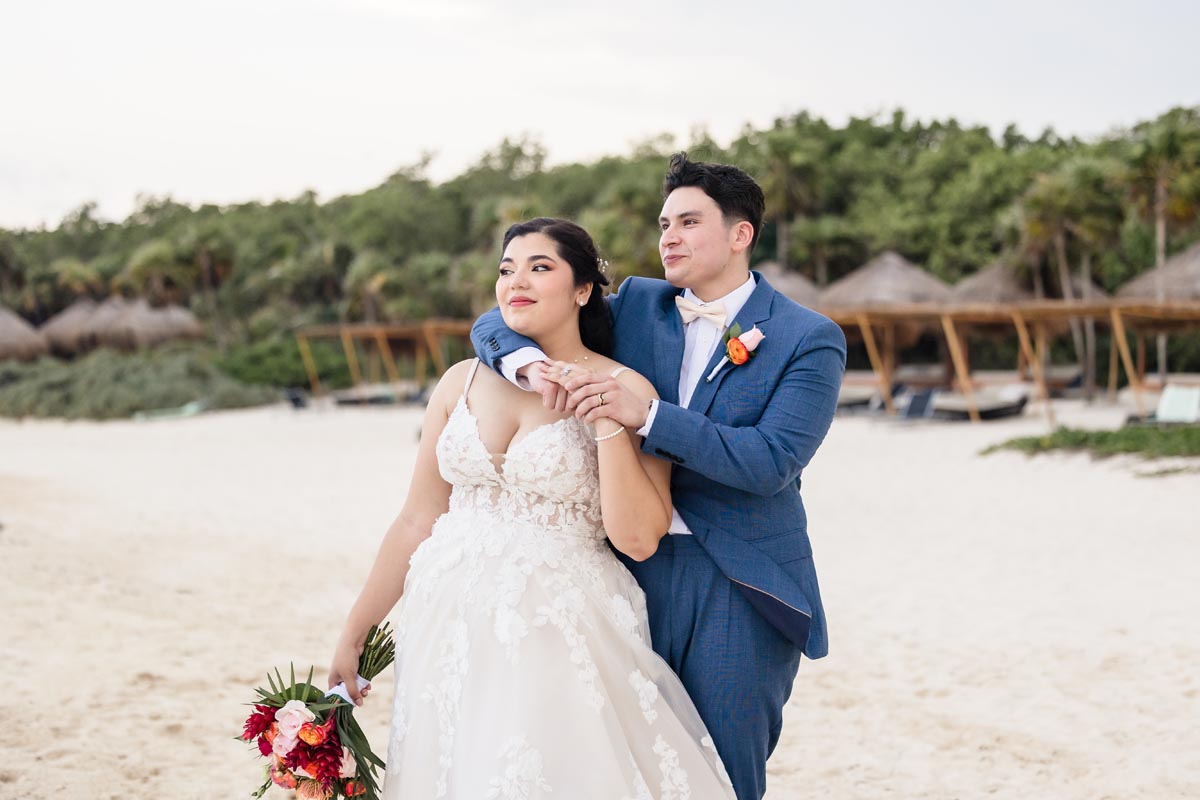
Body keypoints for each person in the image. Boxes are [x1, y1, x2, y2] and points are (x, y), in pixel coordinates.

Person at [472, 154, 847, 799]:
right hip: (621, 571)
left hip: (737, 581)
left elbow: (771, 462)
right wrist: (527, 365)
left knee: (722, 775)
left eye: (689, 222)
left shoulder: (808, 337)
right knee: (629, 770)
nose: (669, 237)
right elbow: (503, 317)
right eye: (664, 223)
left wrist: (647, 415)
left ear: (741, 233)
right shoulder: (639, 306)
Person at [329, 217, 735, 798]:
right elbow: (418, 519)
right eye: (506, 269)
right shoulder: (459, 381)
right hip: (445, 623)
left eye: (540, 267)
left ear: (583, 290)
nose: (516, 281)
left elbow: (640, 538)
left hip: (559, 626)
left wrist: (603, 421)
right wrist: (356, 630)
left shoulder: (627, 388)